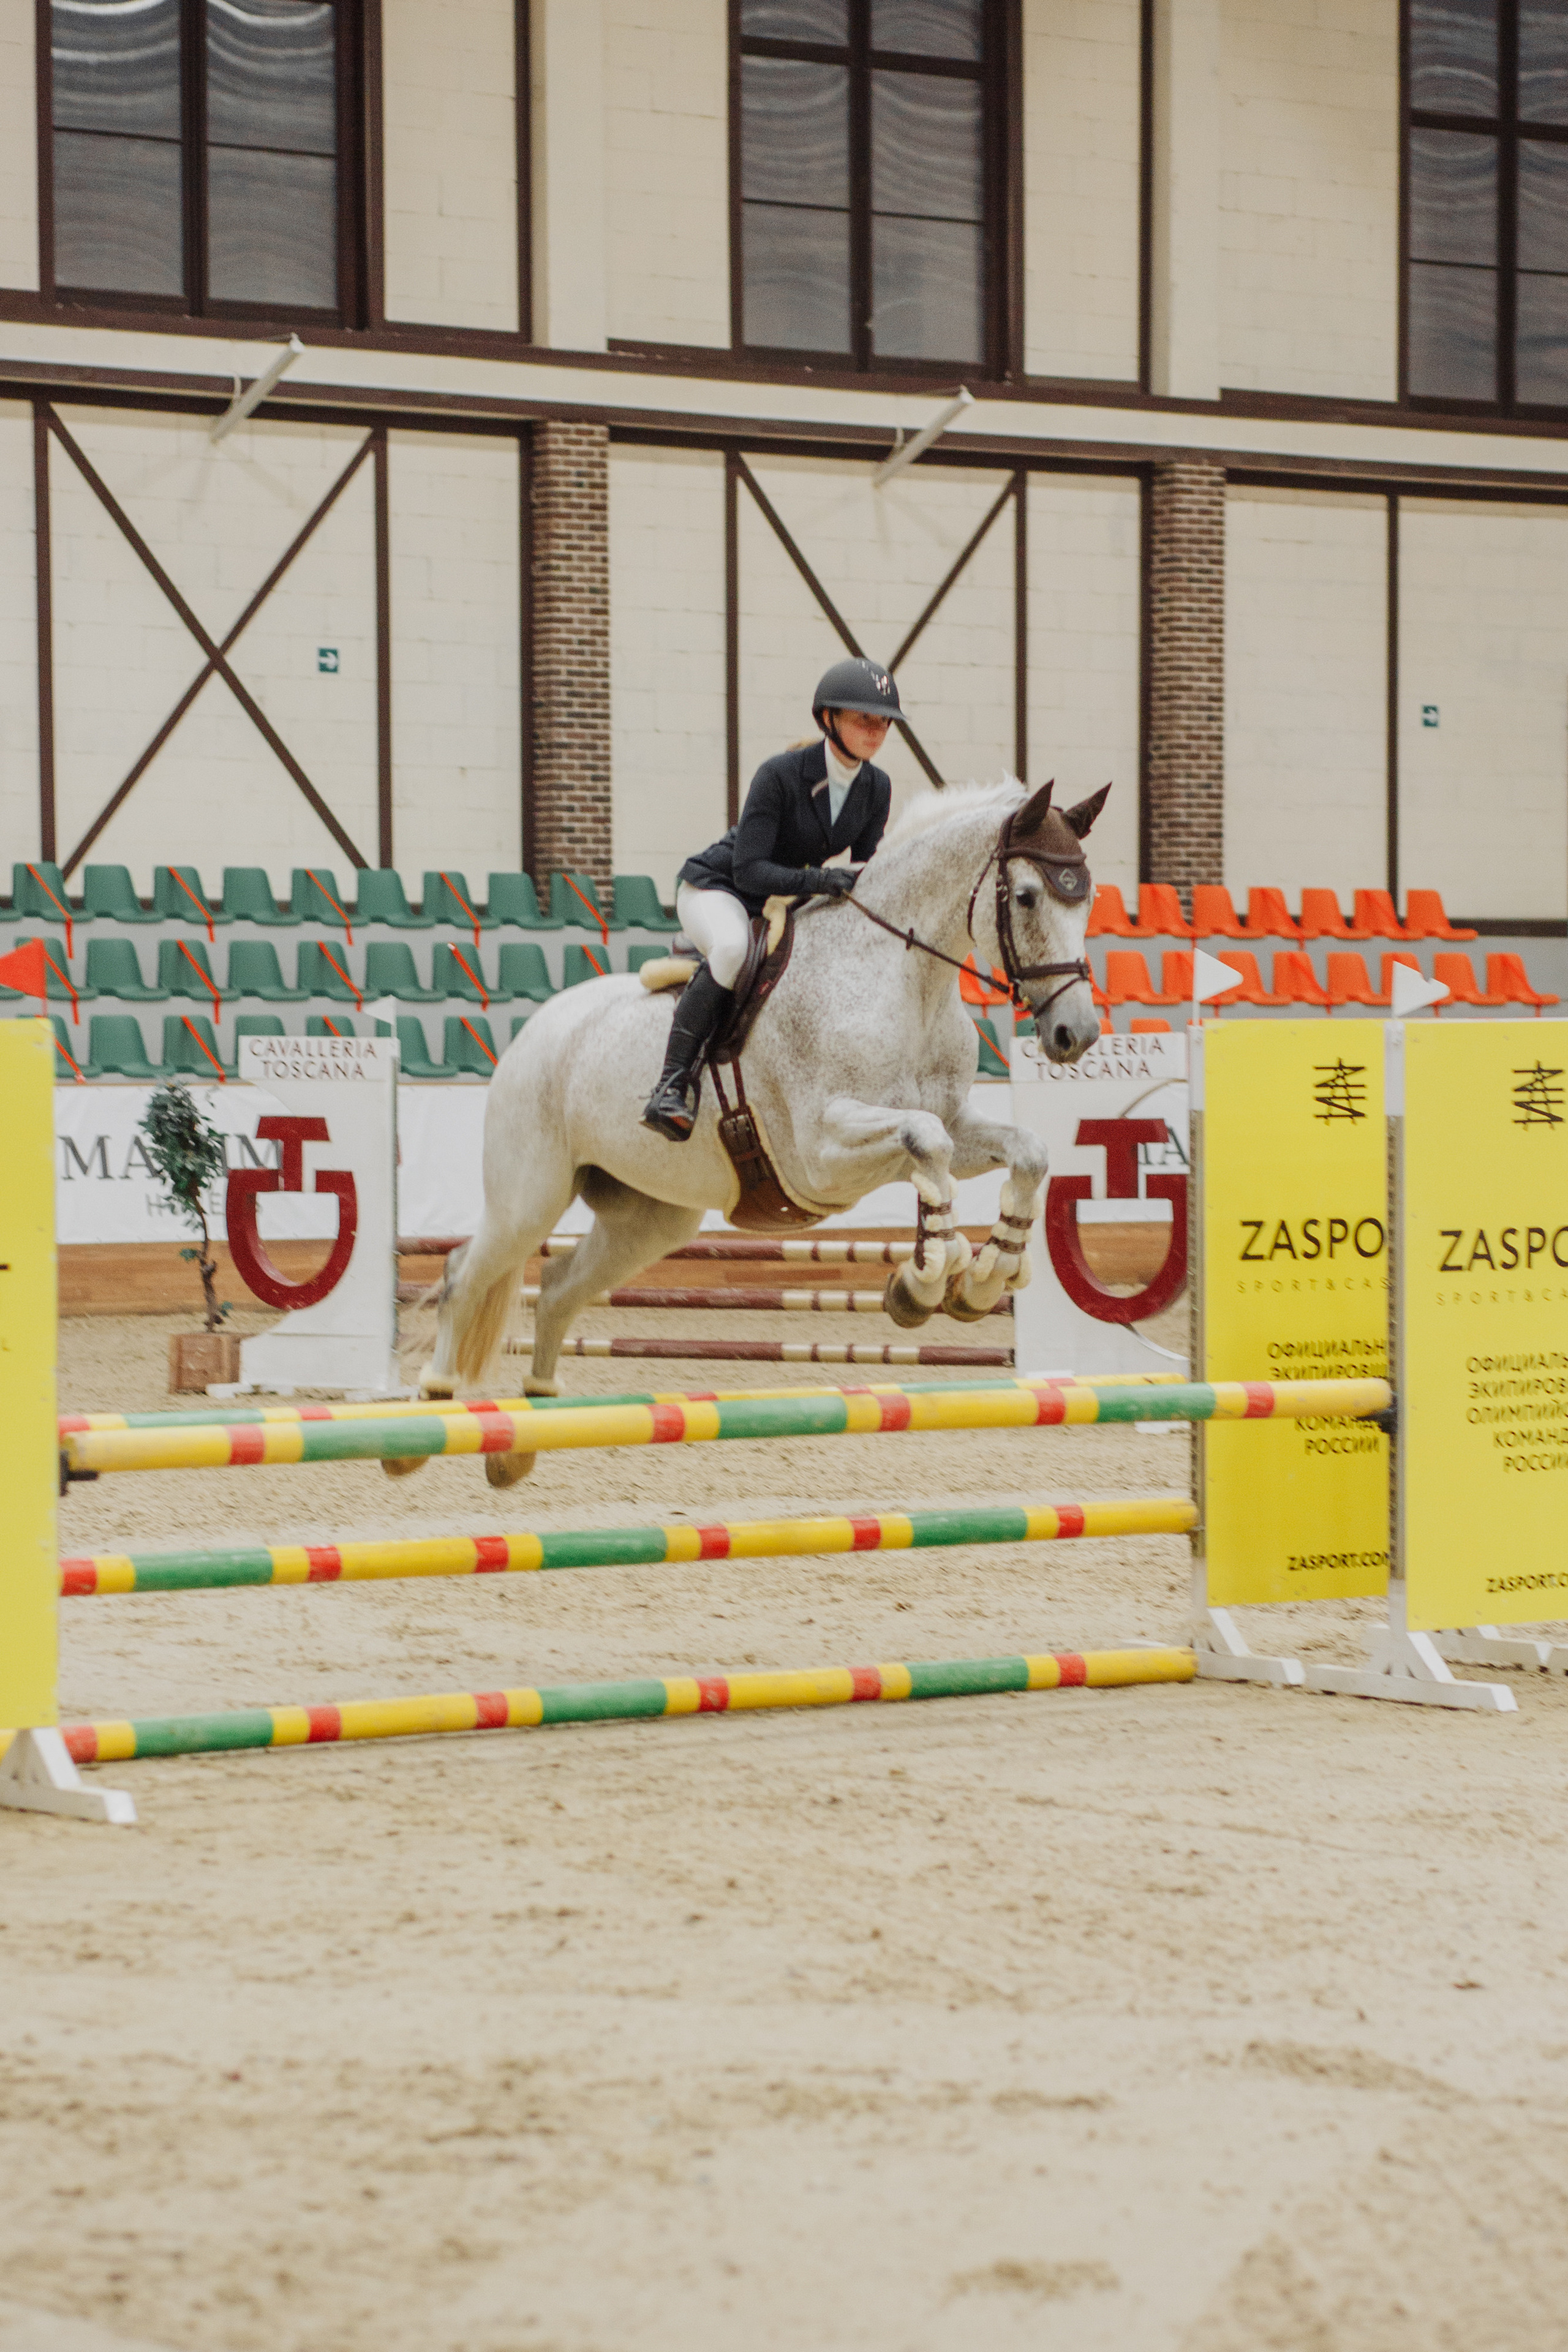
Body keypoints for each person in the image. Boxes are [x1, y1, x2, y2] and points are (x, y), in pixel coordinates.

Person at [641, 655, 902, 1142]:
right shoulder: (780, 774)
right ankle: (671, 1085)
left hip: (783, 898)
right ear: (829, 719)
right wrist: (822, 882)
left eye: (884, 720)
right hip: (720, 888)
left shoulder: (876, 787)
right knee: (733, 949)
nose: (876, 729)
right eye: (863, 717)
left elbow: (865, 867)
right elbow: (750, 868)